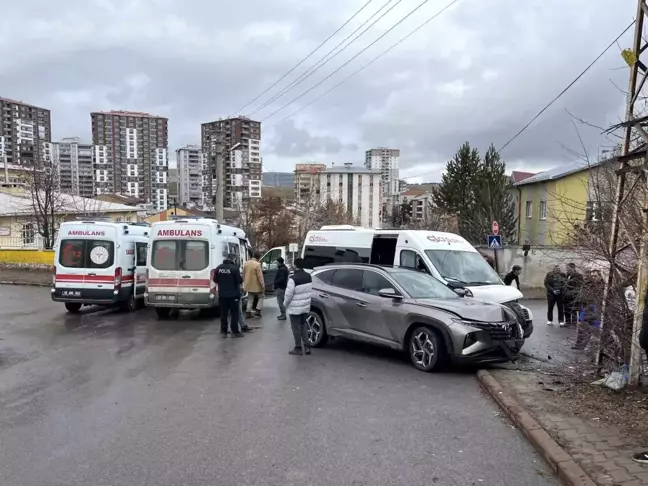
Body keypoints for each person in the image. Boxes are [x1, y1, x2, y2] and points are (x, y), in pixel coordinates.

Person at [283, 258, 313, 356]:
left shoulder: (293, 279)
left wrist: (285, 305)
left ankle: (298, 348)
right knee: (303, 326)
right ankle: (307, 346)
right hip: (305, 307)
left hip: (295, 308)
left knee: (296, 328)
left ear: (295, 265)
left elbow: (288, 295)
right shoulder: (309, 276)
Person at [213, 253, 244, 338]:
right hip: (233, 295)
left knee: (224, 314)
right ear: (233, 259)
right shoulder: (234, 268)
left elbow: (215, 279)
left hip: (222, 295)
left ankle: (223, 331)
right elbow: (239, 280)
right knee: (234, 314)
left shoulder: (219, 268)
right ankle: (235, 331)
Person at [573, 269, 604, 350]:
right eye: (592, 276)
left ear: (600, 276)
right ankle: (579, 345)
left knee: (596, 328)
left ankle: (594, 348)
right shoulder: (587, 284)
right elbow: (581, 295)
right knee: (581, 325)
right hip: (586, 308)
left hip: (597, 309)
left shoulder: (604, 286)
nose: (593, 277)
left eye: (595, 276)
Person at [243, 251, 265, 318]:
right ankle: (258, 311)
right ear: (258, 257)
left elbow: (243, 274)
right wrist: (263, 285)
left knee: (250, 299)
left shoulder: (246, 263)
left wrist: (244, 283)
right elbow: (260, 276)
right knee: (261, 297)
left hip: (248, 285)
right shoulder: (257, 264)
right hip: (256, 285)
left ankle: (248, 312)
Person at [274, 256, 289, 320]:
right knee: (281, 301)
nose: (276, 264)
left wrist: (275, 282)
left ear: (279, 262)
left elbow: (281, 279)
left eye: (277, 262)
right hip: (283, 287)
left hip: (280, 288)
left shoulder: (281, 269)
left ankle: (283, 315)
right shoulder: (284, 268)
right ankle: (283, 314)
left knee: (280, 302)